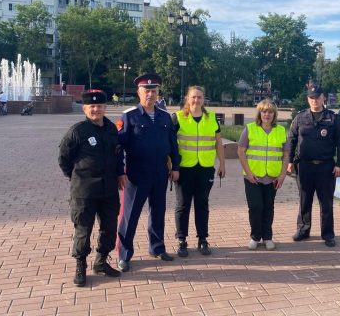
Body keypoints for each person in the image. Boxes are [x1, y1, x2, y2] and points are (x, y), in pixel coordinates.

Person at [58, 89, 123, 287]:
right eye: (92, 106)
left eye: (100, 106)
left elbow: (118, 155)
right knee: (83, 229)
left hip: (109, 189)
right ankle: (81, 265)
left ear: (105, 108)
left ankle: (101, 261)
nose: (96, 109)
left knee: (109, 228)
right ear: (85, 109)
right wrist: (77, 177)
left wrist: (120, 173)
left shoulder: (112, 129)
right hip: (84, 191)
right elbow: (64, 159)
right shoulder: (77, 131)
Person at [116, 73, 180, 272]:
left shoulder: (165, 117)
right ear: (139, 93)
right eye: (146, 90)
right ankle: (124, 255)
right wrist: (120, 172)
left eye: (154, 90)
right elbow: (118, 148)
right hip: (136, 174)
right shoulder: (129, 116)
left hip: (160, 172)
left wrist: (175, 167)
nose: (150, 94)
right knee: (130, 215)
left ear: (158, 93)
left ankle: (157, 247)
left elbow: (172, 144)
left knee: (158, 212)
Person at [287, 84, 340, 247]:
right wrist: (289, 161)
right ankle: (303, 230)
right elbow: (291, 140)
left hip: (326, 167)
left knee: (326, 202)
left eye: (318, 97)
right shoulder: (300, 118)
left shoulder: (333, 118)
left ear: (323, 98)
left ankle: (328, 234)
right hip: (304, 166)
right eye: (311, 98)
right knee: (304, 200)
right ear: (308, 99)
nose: (314, 100)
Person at [172, 86, 225, 257]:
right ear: (188, 98)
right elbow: (170, 145)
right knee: (183, 204)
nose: (196, 100)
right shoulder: (178, 118)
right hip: (184, 169)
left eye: (200, 97)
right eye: (193, 97)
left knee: (202, 204)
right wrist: (172, 167)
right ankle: (182, 240)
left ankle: (203, 239)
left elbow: (218, 143)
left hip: (205, 169)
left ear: (204, 100)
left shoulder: (211, 119)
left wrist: (222, 164)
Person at [238, 99, 290, 250]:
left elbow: (286, 155)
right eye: (264, 111)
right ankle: (255, 236)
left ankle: (267, 237)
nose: (267, 114)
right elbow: (241, 151)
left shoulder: (280, 131)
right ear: (259, 113)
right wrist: (248, 173)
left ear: (275, 114)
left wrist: (282, 176)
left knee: (268, 207)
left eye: (270, 112)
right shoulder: (250, 128)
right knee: (255, 207)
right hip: (252, 177)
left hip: (272, 178)